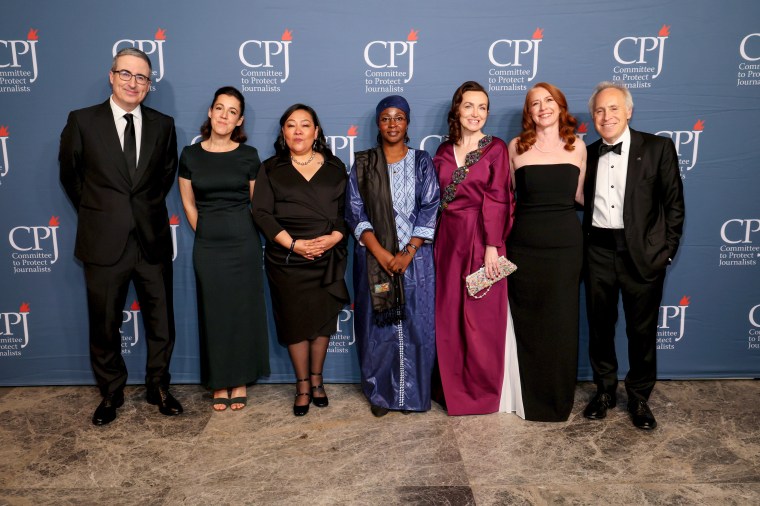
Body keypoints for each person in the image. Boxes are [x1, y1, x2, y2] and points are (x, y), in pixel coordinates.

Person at [58, 47, 182, 425]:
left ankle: (158, 386)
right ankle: (111, 391)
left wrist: (138, 212)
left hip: (151, 239)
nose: (133, 83)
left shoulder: (164, 125)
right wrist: (102, 213)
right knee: (104, 322)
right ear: (111, 76)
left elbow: (163, 178)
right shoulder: (82, 121)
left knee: (161, 320)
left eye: (142, 77)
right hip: (103, 240)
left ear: (149, 86)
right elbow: (71, 177)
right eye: (126, 74)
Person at [582, 82, 685, 430]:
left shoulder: (657, 148)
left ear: (628, 111)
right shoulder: (587, 153)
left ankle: (639, 396)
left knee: (641, 332)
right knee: (600, 328)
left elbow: (674, 206)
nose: (606, 116)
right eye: (599, 110)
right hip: (597, 250)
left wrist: (665, 254)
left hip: (642, 254)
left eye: (613, 108)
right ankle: (605, 392)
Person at [251, 104, 349, 416]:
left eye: (305, 125)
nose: (297, 131)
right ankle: (302, 385)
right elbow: (262, 213)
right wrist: (294, 244)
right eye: (291, 125)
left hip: (326, 257)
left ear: (316, 132)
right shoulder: (270, 168)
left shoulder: (335, 167)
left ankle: (318, 381)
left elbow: (348, 213)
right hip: (287, 260)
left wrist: (334, 237)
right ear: (283, 132)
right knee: (294, 322)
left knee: (321, 322)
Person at [345, 95, 440, 417]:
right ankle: (382, 395)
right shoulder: (363, 164)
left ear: (408, 123)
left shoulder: (422, 161)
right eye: (386, 118)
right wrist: (382, 253)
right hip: (375, 259)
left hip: (417, 261)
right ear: (378, 123)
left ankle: (413, 394)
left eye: (399, 117)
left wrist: (408, 252)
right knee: (378, 330)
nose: (392, 124)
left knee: (417, 325)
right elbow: (355, 210)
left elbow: (430, 206)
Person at [178, 87, 270, 412]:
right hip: (208, 245)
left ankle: (240, 378)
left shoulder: (249, 155)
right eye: (220, 108)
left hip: (244, 242)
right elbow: (188, 203)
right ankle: (219, 381)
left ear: (239, 120)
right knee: (213, 311)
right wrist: (205, 232)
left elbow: (256, 204)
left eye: (232, 111)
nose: (224, 115)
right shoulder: (190, 155)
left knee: (242, 311)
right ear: (210, 111)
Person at [504, 82, 586, 422]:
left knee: (562, 323)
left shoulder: (578, 146)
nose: (542, 107)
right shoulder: (515, 147)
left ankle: (557, 400)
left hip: (566, 247)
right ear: (529, 112)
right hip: (524, 246)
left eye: (548, 100)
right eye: (535, 103)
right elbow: (507, 198)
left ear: (561, 105)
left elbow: (582, 198)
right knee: (529, 322)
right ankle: (527, 400)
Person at [433, 81, 513, 416]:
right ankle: (450, 391)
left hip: (483, 239)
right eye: (469, 106)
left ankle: (481, 394)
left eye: (482, 107)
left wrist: (493, 245)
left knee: (481, 321)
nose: (476, 113)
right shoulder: (441, 152)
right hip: (448, 242)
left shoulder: (495, 148)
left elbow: (499, 197)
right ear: (457, 109)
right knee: (449, 317)